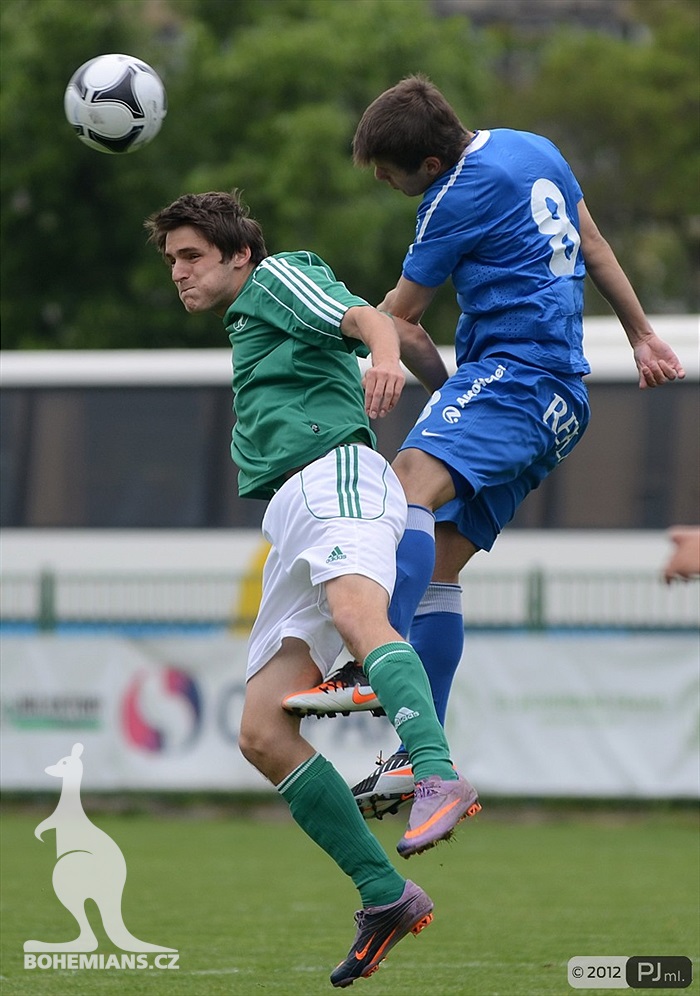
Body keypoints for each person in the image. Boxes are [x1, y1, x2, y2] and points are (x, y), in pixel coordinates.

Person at [282, 74, 687, 818]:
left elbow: (395, 322)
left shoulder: (449, 203)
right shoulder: (533, 148)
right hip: (559, 396)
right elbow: (593, 244)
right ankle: (418, 755)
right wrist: (642, 334)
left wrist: (354, 343)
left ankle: (378, 656)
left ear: (428, 167)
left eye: (386, 172)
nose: (381, 180)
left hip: (516, 379)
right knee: (436, 563)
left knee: (405, 482)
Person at [144, 189, 481, 988]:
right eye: (171, 262)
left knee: (359, 614)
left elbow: (363, 317)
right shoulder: (249, 321)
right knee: (262, 730)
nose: (180, 273)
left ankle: (433, 768)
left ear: (238, 255)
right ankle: (385, 895)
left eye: (192, 256)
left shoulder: (277, 277)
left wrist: (388, 353)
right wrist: (428, 366)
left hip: (338, 477)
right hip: (294, 514)